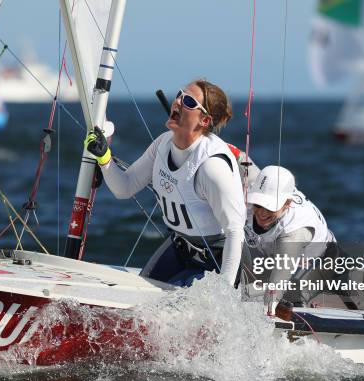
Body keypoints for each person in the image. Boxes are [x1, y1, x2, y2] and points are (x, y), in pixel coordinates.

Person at [84, 79, 246, 287]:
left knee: (166, 304)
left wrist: (225, 291)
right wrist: (104, 157)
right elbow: (124, 188)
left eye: (188, 101)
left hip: (216, 258)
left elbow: (235, 231)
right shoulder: (162, 144)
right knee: (141, 293)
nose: (177, 102)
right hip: (179, 246)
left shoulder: (211, 166)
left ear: (204, 121)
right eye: (179, 95)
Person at [243, 165, 335, 306]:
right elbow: (238, 157)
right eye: (258, 204)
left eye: (269, 207)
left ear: (287, 203)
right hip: (272, 252)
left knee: (291, 297)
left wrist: (267, 313)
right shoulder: (259, 183)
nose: (262, 212)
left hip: (323, 261)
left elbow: (275, 289)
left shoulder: (294, 231)